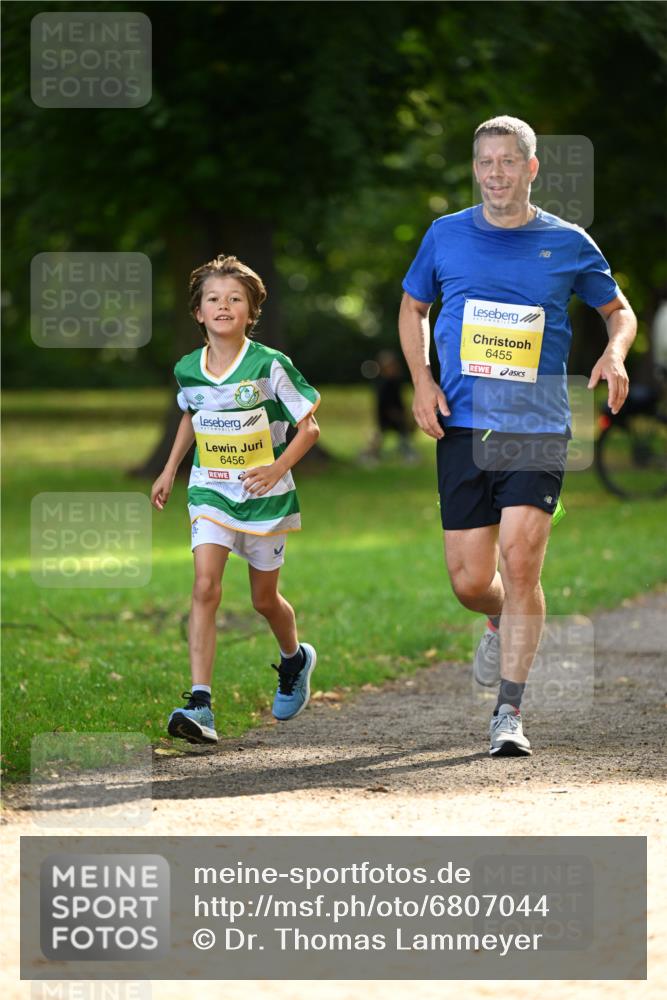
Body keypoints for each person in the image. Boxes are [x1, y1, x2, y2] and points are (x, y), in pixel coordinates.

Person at [399, 116, 636, 756]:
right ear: (475, 168)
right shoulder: (445, 235)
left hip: (537, 422)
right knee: (470, 581)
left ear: (531, 168)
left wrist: (614, 353)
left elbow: (617, 309)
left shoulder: (566, 241)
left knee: (521, 560)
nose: (495, 173)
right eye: (485, 162)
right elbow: (414, 306)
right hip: (463, 421)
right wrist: (421, 380)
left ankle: (509, 710)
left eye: (508, 161)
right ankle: (497, 618)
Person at [151, 254, 320, 744]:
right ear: (198, 312)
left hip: (264, 494)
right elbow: (191, 414)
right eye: (213, 299)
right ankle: (200, 704)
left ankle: (294, 659)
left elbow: (309, 428)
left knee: (264, 600)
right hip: (210, 490)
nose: (223, 306)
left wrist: (276, 469)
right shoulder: (188, 369)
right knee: (205, 586)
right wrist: (170, 469)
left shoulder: (269, 364)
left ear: (250, 311)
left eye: (234, 299)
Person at [361, 349, 418, 464]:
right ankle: (369, 456)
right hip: (387, 416)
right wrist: (395, 414)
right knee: (381, 437)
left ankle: (406, 453)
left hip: (396, 416)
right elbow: (383, 402)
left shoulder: (396, 381)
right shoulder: (383, 383)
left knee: (403, 436)